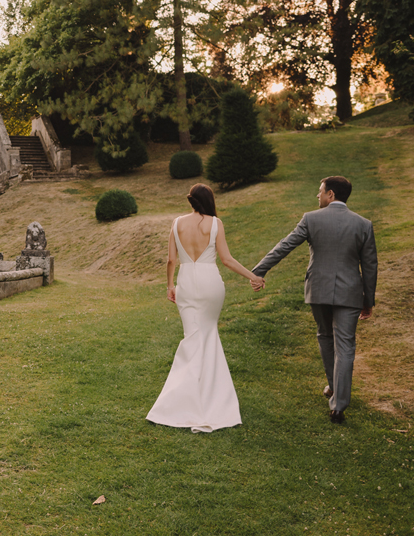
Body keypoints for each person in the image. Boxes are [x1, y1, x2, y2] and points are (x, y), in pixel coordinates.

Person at [251, 176, 377, 424]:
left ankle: (334, 388)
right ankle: (339, 405)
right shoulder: (364, 224)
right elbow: (370, 265)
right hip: (350, 293)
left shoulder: (311, 218)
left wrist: (258, 270)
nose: (317, 196)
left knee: (325, 337)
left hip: (318, 290)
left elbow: (284, 246)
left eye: (319, 192)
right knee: (346, 345)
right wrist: (368, 300)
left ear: (330, 194)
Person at [147, 184, 265, 433]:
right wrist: (252, 276)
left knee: (193, 337)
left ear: (191, 201)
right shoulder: (215, 223)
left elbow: (171, 260)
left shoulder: (176, 223)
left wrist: (170, 285)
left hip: (186, 284)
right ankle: (209, 395)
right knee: (208, 335)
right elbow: (227, 259)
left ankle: (184, 398)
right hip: (211, 284)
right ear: (208, 200)